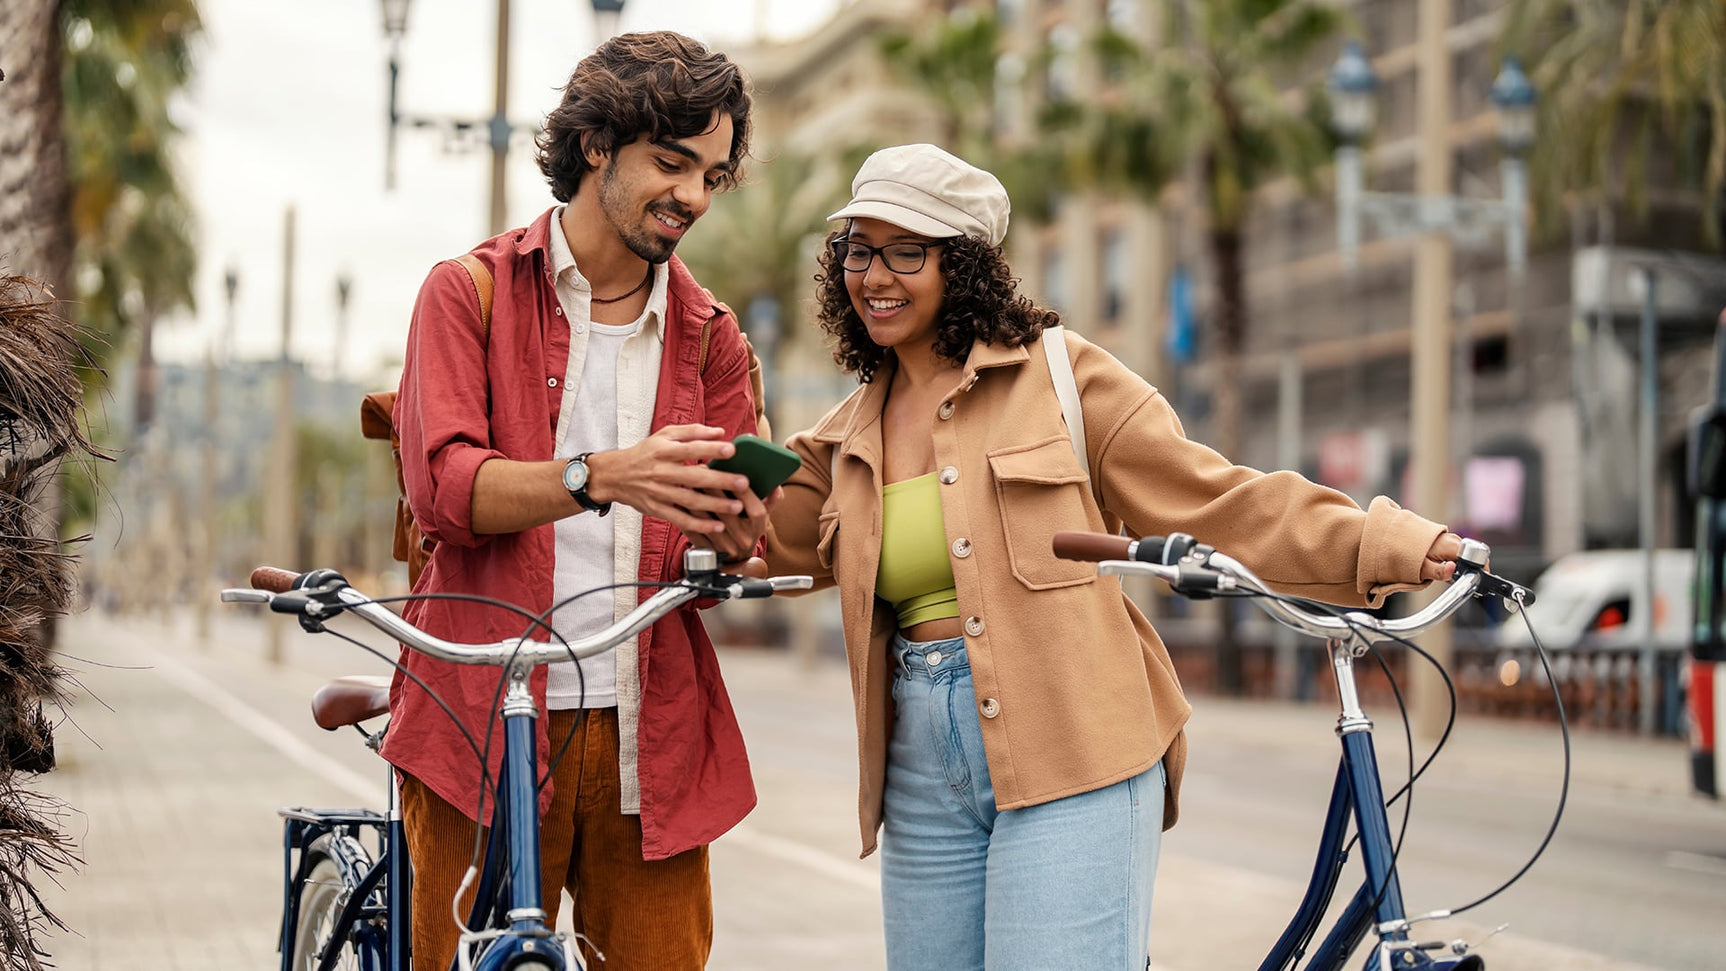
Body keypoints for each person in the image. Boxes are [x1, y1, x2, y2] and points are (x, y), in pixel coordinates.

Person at [762, 143, 1466, 971]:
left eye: (906, 251)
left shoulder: (1064, 378)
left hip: (1076, 745)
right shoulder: (842, 439)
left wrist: (1391, 541)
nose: (875, 274)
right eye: (858, 249)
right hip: (918, 771)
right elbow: (749, 540)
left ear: (964, 263)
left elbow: (1219, 501)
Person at [383, 31, 774, 971]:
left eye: (713, 176)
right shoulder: (465, 294)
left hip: (652, 732)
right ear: (596, 145)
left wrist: (735, 540)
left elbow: (713, 553)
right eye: (671, 162)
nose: (693, 195)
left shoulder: (712, 336)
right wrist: (602, 473)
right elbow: (445, 491)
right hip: (484, 711)